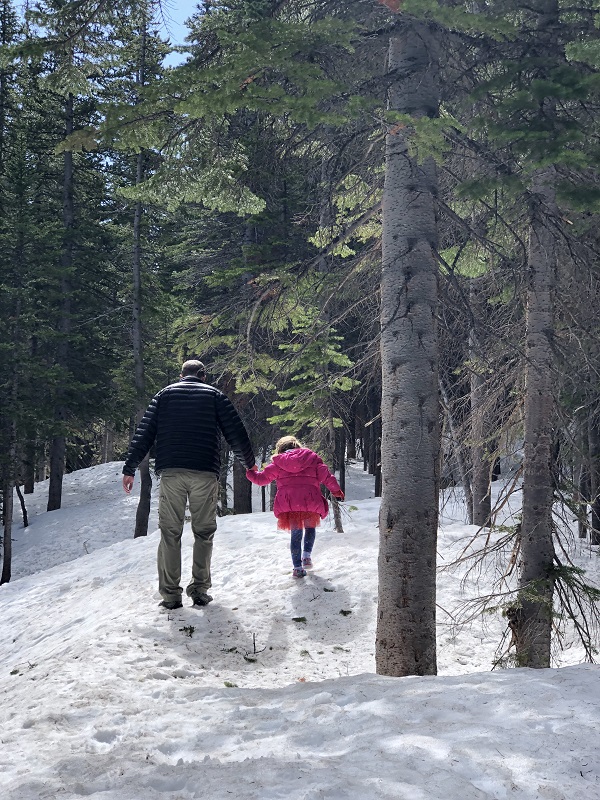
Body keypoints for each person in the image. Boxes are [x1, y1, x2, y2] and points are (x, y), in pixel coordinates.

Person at [122, 360, 256, 609]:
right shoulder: (215, 396)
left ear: (181, 375)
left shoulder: (164, 395)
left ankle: (171, 596)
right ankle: (200, 590)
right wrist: (249, 464)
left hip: (172, 472)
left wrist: (129, 468)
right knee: (203, 532)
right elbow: (236, 433)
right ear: (203, 376)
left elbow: (144, 433)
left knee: (170, 532)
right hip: (204, 472)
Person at [246, 435, 344, 578]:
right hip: (310, 499)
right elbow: (327, 477)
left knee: (296, 534)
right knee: (310, 528)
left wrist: (251, 471)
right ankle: (306, 556)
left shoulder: (279, 462)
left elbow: (261, 480)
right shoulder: (312, 459)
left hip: (290, 503)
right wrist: (336, 491)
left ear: (281, 448)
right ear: (297, 446)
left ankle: (297, 568)